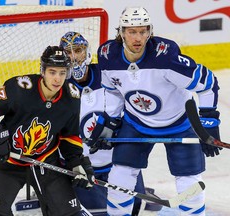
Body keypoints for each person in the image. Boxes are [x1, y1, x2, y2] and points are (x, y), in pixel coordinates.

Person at [88, 6, 221, 216]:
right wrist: (110, 122)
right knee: (119, 176)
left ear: (150, 31)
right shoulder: (108, 55)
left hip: (179, 123)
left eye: (143, 31)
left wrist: (209, 122)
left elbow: (208, 83)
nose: (138, 37)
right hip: (137, 123)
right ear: (121, 32)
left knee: (189, 182)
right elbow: (113, 91)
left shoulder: (165, 57)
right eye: (132, 31)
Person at [0, 45, 95, 216]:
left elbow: (69, 135)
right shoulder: (21, 89)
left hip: (47, 163)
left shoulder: (71, 98)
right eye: (52, 72)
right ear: (42, 71)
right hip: (9, 162)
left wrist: (76, 162)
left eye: (62, 72)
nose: (57, 79)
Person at [60, 31, 162, 215]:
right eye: (68, 52)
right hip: (82, 169)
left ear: (87, 52)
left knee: (134, 208)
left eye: (78, 50)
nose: (74, 57)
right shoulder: (58, 86)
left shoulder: (108, 74)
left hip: (119, 163)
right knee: (98, 213)